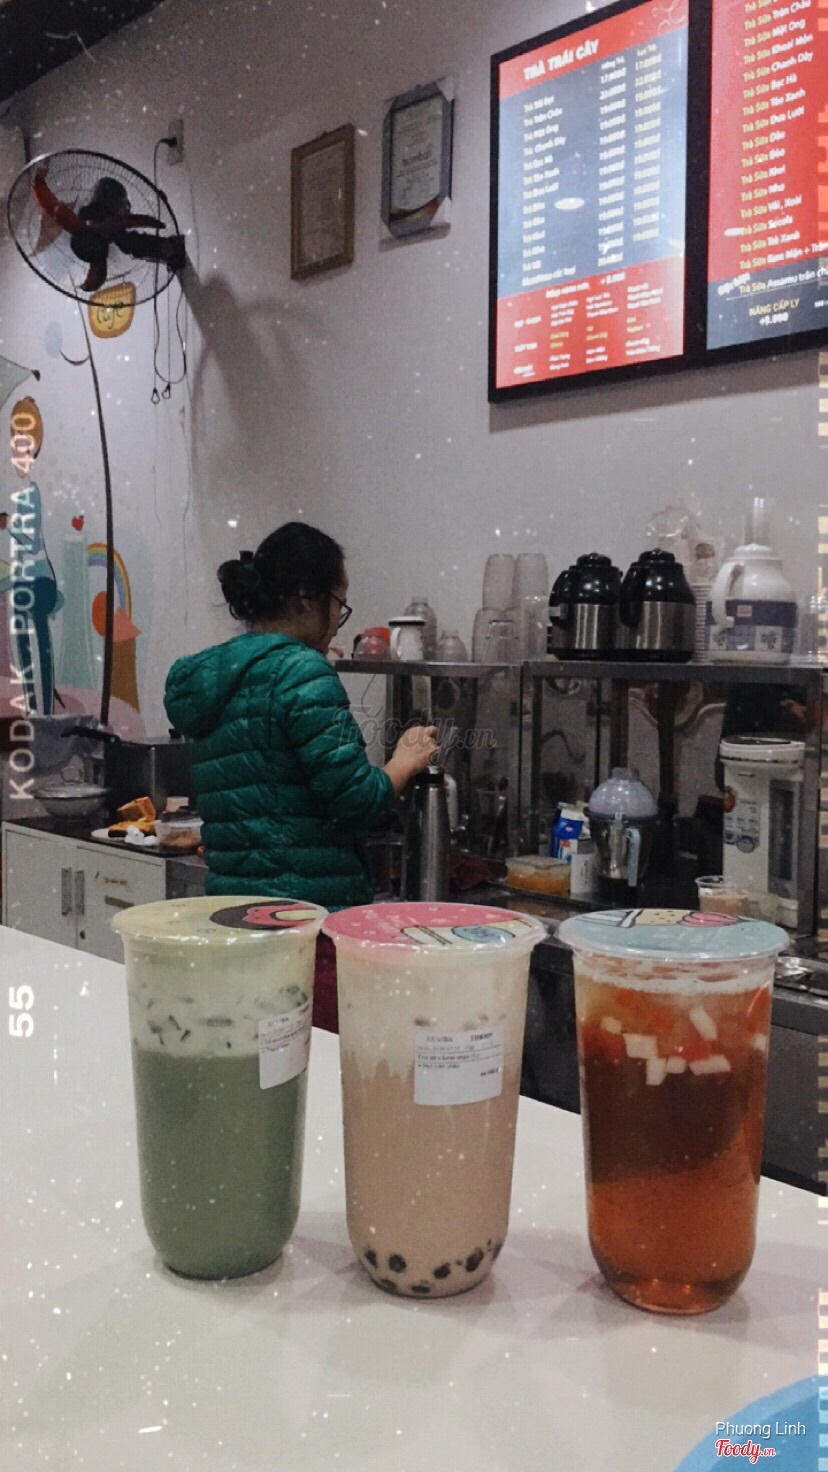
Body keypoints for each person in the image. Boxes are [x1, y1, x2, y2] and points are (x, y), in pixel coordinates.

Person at [164, 521, 439, 1030]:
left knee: (260, 1058)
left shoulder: (215, 677)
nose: (338, 622)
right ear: (307, 599)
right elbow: (357, 801)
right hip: (303, 927)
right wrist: (405, 760)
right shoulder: (302, 672)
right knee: (315, 1064)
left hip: (234, 920)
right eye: (340, 604)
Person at [32, 171, 185, 293]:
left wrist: (40, 178)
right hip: (111, 224)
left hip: (111, 223)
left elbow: (49, 204)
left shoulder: (99, 224)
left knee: (127, 243)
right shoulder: (103, 227)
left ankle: (168, 248)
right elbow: (49, 203)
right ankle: (167, 248)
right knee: (127, 243)